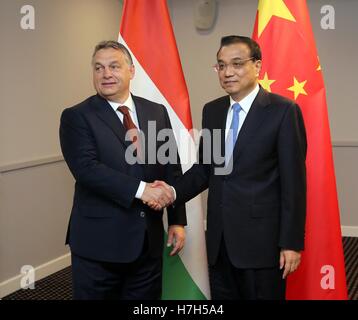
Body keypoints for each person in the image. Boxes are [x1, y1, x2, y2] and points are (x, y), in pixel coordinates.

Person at [151, 35, 307, 300]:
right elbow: (204, 170)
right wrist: (172, 192)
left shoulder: (283, 111)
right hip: (220, 244)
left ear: (257, 66)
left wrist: (291, 243)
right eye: (221, 65)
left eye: (236, 63)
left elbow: (294, 184)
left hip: (262, 244)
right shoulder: (212, 111)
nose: (227, 72)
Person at [59, 40, 186, 300]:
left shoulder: (156, 111)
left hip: (147, 244)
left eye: (114, 66)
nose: (106, 74)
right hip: (99, 247)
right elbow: (87, 169)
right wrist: (143, 191)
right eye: (99, 68)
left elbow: (171, 166)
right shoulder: (76, 117)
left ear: (131, 70)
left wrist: (176, 219)